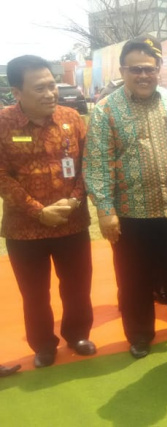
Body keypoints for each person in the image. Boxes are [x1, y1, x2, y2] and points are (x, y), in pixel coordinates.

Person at [84, 35, 167, 360]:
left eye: (149, 69)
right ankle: (139, 334)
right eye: (135, 69)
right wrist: (105, 211)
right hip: (130, 212)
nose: (143, 75)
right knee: (133, 278)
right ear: (122, 70)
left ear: (159, 69)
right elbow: (97, 163)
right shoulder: (106, 110)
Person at [0, 55, 96, 368]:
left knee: (77, 287)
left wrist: (75, 201)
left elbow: (88, 164)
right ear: (17, 92)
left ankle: (78, 334)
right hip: (25, 229)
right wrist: (38, 211)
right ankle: (43, 344)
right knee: (34, 294)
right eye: (39, 88)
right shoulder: (3, 124)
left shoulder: (72, 118)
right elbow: (1, 175)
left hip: (73, 223)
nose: (50, 93)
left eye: (52, 85)